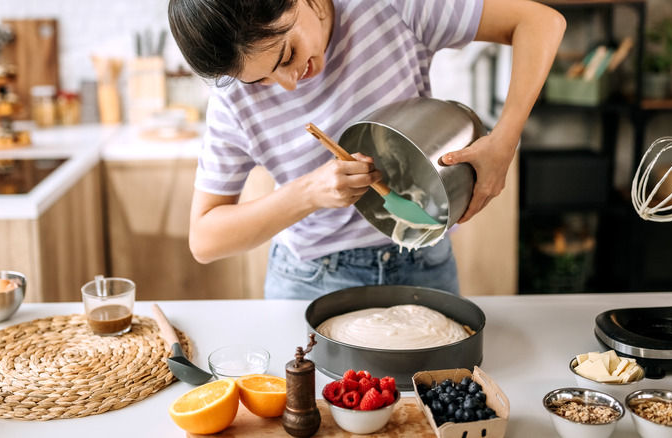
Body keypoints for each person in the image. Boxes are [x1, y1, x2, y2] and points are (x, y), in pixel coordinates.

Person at [168, 0, 565, 299]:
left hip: (423, 264)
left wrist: (505, 140)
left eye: (286, 54)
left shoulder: (389, 7)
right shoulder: (234, 104)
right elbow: (204, 239)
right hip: (311, 283)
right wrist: (308, 193)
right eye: (261, 80)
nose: (289, 83)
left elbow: (541, 22)